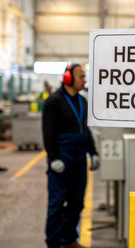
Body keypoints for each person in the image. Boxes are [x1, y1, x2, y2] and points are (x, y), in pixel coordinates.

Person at [42, 63, 100, 248]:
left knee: (77, 203)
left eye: (85, 76)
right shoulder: (53, 101)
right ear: (68, 78)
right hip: (62, 158)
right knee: (57, 204)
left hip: (79, 158)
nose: (84, 80)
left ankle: (68, 240)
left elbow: (85, 130)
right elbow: (47, 133)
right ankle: (53, 243)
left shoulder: (82, 101)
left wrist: (93, 152)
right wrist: (54, 158)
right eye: (81, 76)